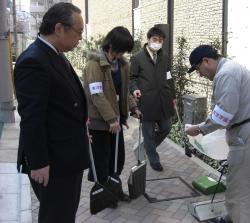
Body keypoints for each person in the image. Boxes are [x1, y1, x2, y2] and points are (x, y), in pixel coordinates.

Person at [14, 3, 88, 223]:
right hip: (53, 162)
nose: (80, 38)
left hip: (67, 155)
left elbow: (63, 106)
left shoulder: (54, 54)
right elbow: (32, 118)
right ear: (59, 28)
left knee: (65, 215)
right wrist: (38, 162)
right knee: (57, 217)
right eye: (79, 32)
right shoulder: (34, 61)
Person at [185, 45, 250, 223]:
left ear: (206, 61)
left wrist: (199, 129)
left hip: (248, 133)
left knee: (239, 188)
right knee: (237, 183)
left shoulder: (226, 74)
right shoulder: (229, 70)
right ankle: (231, 218)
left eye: (198, 69)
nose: (200, 74)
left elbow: (223, 114)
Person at [83, 26, 140, 203]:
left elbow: (124, 91)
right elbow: (97, 95)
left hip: (116, 120)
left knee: (118, 160)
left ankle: (114, 188)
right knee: (102, 161)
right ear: (111, 45)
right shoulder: (95, 64)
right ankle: (105, 194)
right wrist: (110, 119)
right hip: (100, 122)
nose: (122, 53)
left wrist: (133, 108)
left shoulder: (122, 65)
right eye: (121, 49)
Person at [130, 26, 176, 171]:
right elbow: (132, 78)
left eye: (160, 40)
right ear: (148, 39)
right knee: (148, 133)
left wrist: (173, 96)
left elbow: (169, 77)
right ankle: (153, 159)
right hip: (147, 101)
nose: (157, 42)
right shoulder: (137, 58)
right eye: (155, 39)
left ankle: (145, 148)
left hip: (164, 99)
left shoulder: (165, 57)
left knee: (167, 127)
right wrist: (135, 89)